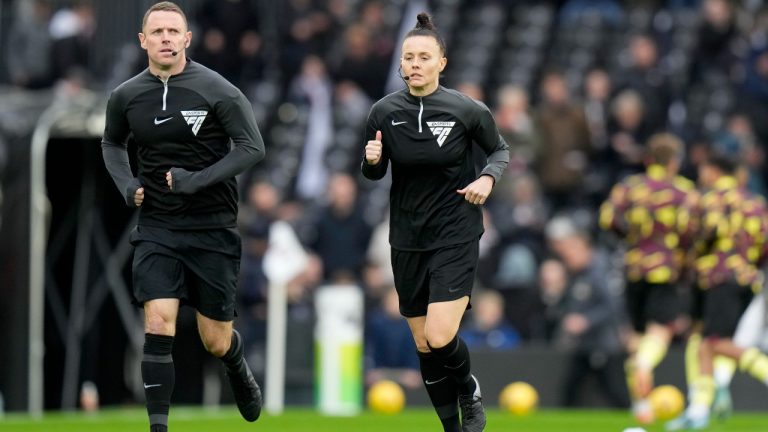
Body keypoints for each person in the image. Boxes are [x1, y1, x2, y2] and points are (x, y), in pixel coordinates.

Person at [100, 3, 265, 431]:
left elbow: (252, 148)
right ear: (143, 40)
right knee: (158, 322)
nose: (166, 38)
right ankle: (158, 427)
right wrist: (125, 184)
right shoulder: (126, 95)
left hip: (212, 227)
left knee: (214, 339)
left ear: (188, 38)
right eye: (158, 32)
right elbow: (112, 144)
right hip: (158, 226)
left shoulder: (218, 90)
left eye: (174, 30)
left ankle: (235, 360)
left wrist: (198, 180)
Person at [361, 12, 509, 432]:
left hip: (455, 232)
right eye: (408, 57)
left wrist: (486, 177)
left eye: (424, 56)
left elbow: (500, 151)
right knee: (425, 344)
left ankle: (469, 391)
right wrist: (371, 163)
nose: (414, 64)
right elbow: (374, 170)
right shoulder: (383, 112)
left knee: (442, 336)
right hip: (407, 237)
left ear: (441, 62)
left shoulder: (466, 109)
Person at [598, 133, 698, 424]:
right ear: (674, 161)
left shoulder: (629, 187)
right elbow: (692, 232)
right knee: (660, 333)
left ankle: (641, 407)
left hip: (634, 268)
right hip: (666, 271)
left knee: (638, 337)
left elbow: (608, 219)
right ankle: (643, 367)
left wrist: (631, 237)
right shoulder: (684, 192)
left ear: (648, 159)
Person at [667, 148, 768, 431]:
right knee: (701, 342)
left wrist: (684, 267)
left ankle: (701, 408)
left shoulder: (704, 199)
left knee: (713, 342)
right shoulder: (754, 202)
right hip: (747, 277)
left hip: (714, 278)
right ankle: (698, 409)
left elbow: (687, 236)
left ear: (712, 171)